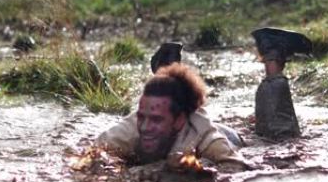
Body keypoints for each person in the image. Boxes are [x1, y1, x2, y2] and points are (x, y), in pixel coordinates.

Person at [95, 63, 247, 173]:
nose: (145, 127)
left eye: (156, 120)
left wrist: (200, 168)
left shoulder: (204, 135)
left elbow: (236, 168)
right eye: (142, 116)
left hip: (230, 136)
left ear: (179, 120)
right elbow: (93, 157)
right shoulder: (129, 129)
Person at [252, 27, 312, 140]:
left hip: (278, 143)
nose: (266, 64)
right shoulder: (271, 83)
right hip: (275, 141)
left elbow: (282, 131)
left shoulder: (275, 83)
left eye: (269, 60)